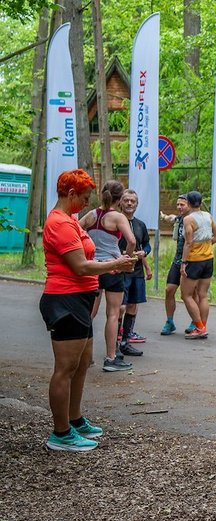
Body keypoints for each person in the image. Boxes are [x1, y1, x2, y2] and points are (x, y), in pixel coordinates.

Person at [40, 170, 134, 451]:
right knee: (65, 368)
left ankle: (75, 418)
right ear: (70, 195)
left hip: (80, 298)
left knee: (82, 364)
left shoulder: (70, 220)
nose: (86, 202)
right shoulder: (59, 223)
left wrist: (115, 263)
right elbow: (80, 266)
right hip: (64, 298)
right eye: (83, 197)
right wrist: (116, 265)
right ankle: (60, 433)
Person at [79, 180, 137, 372]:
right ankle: (111, 358)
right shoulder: (118, 217)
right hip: (112, 269)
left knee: (90, 313)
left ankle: (84, 357)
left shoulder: (91, 215)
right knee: (113, 314)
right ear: (120, 199)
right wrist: (124, 259)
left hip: (94, 268)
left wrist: (88, 253)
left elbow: (75, 233)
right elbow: (132, 240)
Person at [180, 191, 216, 340]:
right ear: (201, 201)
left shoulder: (188, 219)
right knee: (203, 295)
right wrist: (208, 245)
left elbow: (188, 242)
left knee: (186, 295)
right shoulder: (208, 216)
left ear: (188, 203)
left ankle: (199, 327)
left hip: (194, 260)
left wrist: (183, 262)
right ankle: (202, 326)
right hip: (208, 259)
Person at [116, 190, 152, 357]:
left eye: (132, 201)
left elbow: (147, 245)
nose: (129, 203)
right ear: (120, 203)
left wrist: (143, 253)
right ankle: (115, 342)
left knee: (132, 306)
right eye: (126, 200)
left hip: (136, 272)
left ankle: (125, 342)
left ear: (137, 205)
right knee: (120, 307)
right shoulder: (114, 222)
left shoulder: (140, 225)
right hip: (120, 270)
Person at [160, 195, 196, 336]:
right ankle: (170, 322)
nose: (180, 207)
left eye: (183, 204)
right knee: (169, 290)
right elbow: (171, 218)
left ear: (190, 205)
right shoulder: (179, 219)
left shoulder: (195, 220)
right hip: (178, 260)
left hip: (193, 261)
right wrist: (163, 217)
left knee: (193, 293)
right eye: (178, 204)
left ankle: (195, 321)